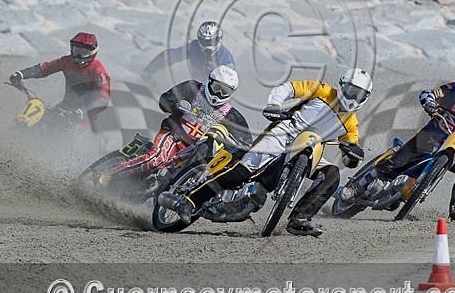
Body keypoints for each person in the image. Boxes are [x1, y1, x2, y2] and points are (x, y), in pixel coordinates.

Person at [160, 68, 373, 237]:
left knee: (333, 174)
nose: (354, 98)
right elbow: (287, 89)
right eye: (352, 91)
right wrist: (274, 104)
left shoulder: (351, 124)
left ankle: (300, 219)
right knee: (241, 172)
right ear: (342, 86)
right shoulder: (323, 91)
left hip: (312, 148)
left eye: (360, 95)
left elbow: (348, 156)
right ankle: (189, 200)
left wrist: (352, 155)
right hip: (284, 133)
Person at [339, 68, 455, 222]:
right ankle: (356, 188)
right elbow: (429, 94)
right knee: (394, 163)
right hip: (431, 136)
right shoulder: (452, 90)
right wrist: (430, 104)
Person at [109, 65, 251, 179]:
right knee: (155, 159)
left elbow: (247, 143)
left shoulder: (232, 116)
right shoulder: (192, 87)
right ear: (210, 82)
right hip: (173, 134)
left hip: (195, 153)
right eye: (217, 88)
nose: (219, 94)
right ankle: (110, 175)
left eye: (224, 91)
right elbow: (165, 99)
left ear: (231, 93)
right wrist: (176, 105)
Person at [9, 32, 111, 132]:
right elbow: (44, 69)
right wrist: (20, 74)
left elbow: (103, 101)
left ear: (92, 53)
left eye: (84, 53)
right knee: (40, 117)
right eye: (76, 51)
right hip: (64, 107)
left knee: (63, 132)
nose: (78, 56)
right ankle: (17, 130)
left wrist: (79, 113)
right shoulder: (66, 61)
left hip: (84, 117)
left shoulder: (98, 71)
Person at [143, 21, 235, 87]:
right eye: (204, 41)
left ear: (219, 39)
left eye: (211, 41)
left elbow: (231, 85)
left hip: (216, 94)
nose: (208, 45)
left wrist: (218, 71)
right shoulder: (194, 47)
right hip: (196, 88)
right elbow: (172, 55)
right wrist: (150, 69)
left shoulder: (226, 58)